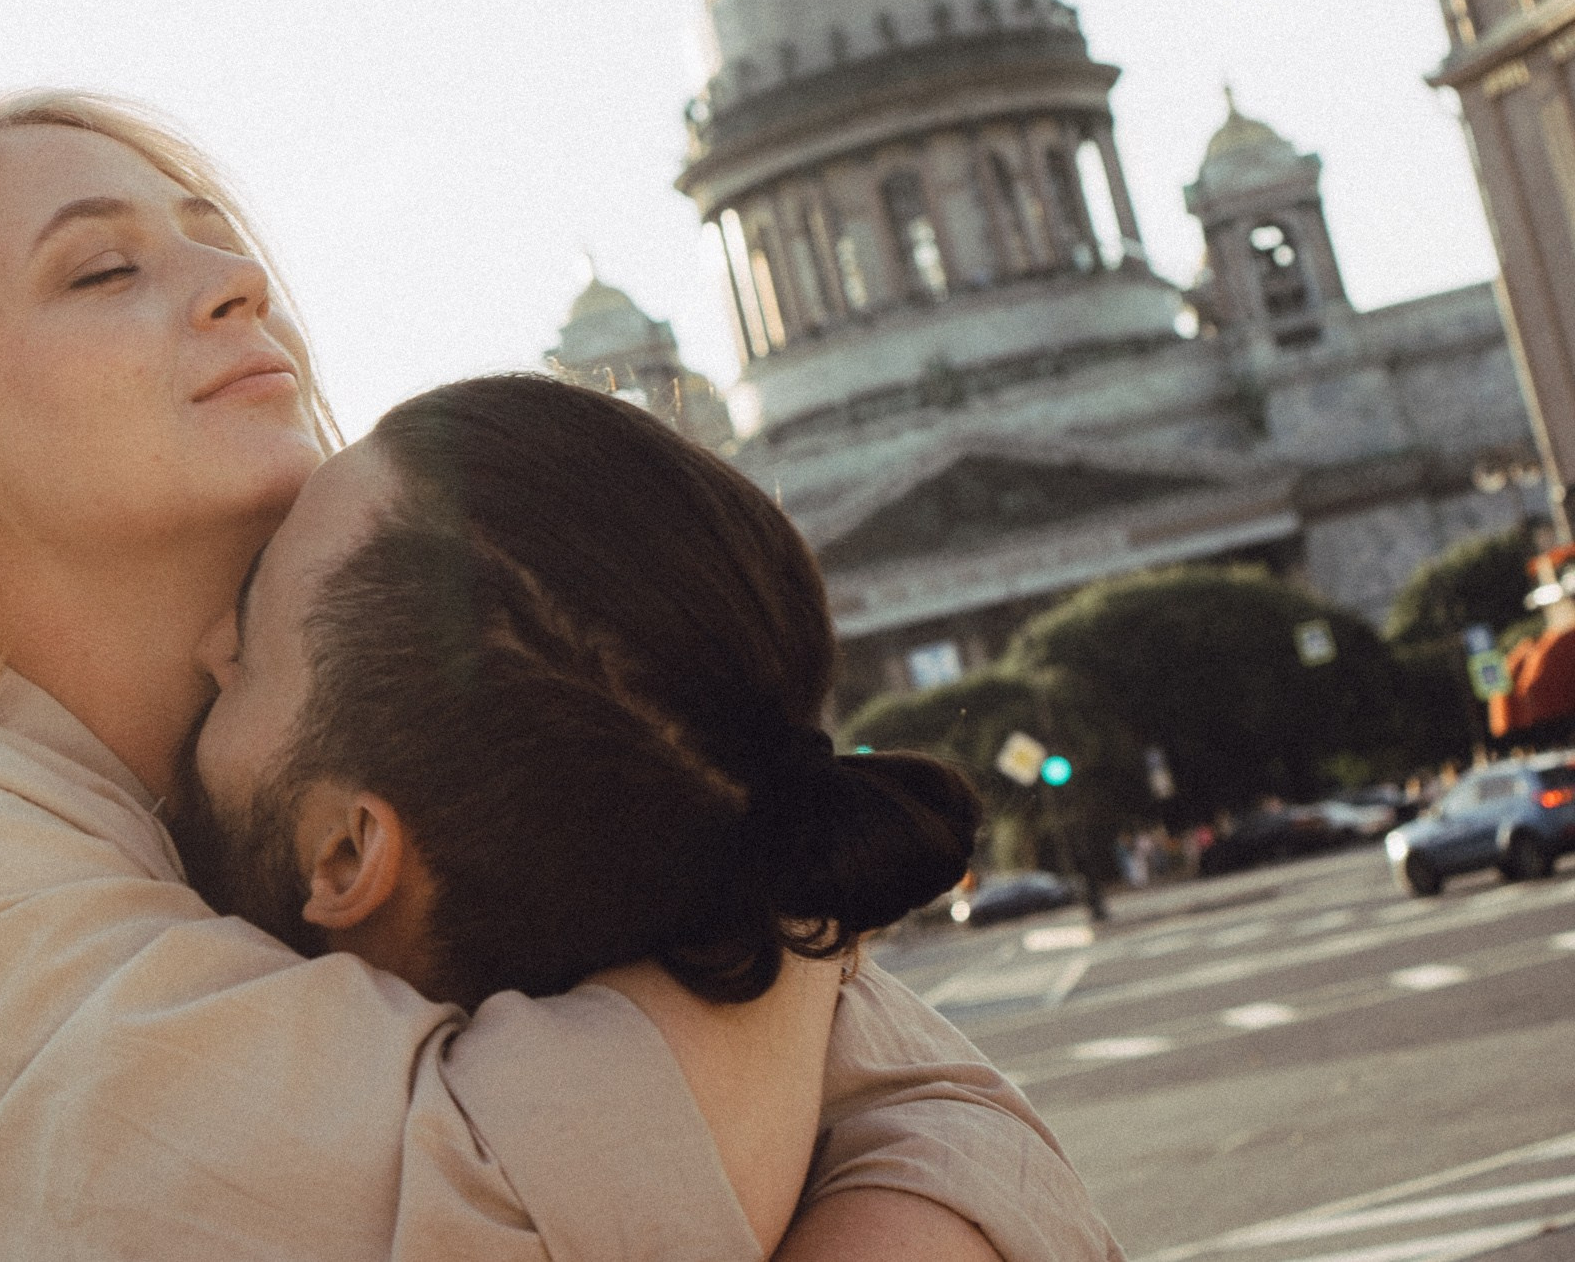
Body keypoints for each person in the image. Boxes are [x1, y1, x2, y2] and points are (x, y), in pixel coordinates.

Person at [0, 91, 1116, 1260]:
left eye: (217, 240)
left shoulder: (327, 748)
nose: (239, 279)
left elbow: (964, 1115)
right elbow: (540, 1191)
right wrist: (756, 831)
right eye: (102, 269)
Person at [173, 375, 1113, 1262]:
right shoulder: (914, 1127)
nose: (208, 645)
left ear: (346, 853)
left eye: (250, 638)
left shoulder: (210, 1144)